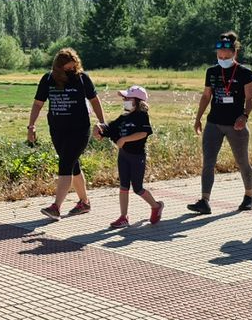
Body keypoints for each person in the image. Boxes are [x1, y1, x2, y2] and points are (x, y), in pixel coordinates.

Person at [27, 48, 106, 221]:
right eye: (67, 68)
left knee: (65, 163)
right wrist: (31, 125)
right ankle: (84, 203)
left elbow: (94, 100)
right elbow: (38, 104)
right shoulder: (48, 79)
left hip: (79, 130)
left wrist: (102, 122)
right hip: (57, 130)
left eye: (73, 67)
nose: (71, 71)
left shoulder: (82, 78)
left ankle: (56, 207)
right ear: (58, 67)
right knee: (72, 165)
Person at [189, 32, 252, 215]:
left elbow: (250, 99)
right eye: (220, 55)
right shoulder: (211, 71)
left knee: (242, 161)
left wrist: (244, 116)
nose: (223, 58)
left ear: (235, 53)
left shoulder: (246, 73)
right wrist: (198, 118)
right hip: (214, 123)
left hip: (236, 125)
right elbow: (206, 96)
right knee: (208, 162)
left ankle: (249, 196)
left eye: (227, 55)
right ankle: (204, 200)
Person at [93, 86, 164, 229]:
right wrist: (99, 129)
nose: (124, 100)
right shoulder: (123, 116)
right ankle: (123, 217)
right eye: (124, 98)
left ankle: (156, 206)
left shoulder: (142, 116)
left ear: (137, 101)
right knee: (123, 186)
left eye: (127, 98)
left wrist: (125, 139)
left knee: (138, 188)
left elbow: (143, 133)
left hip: (137, 157)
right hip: (123, 156)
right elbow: (110, 128)